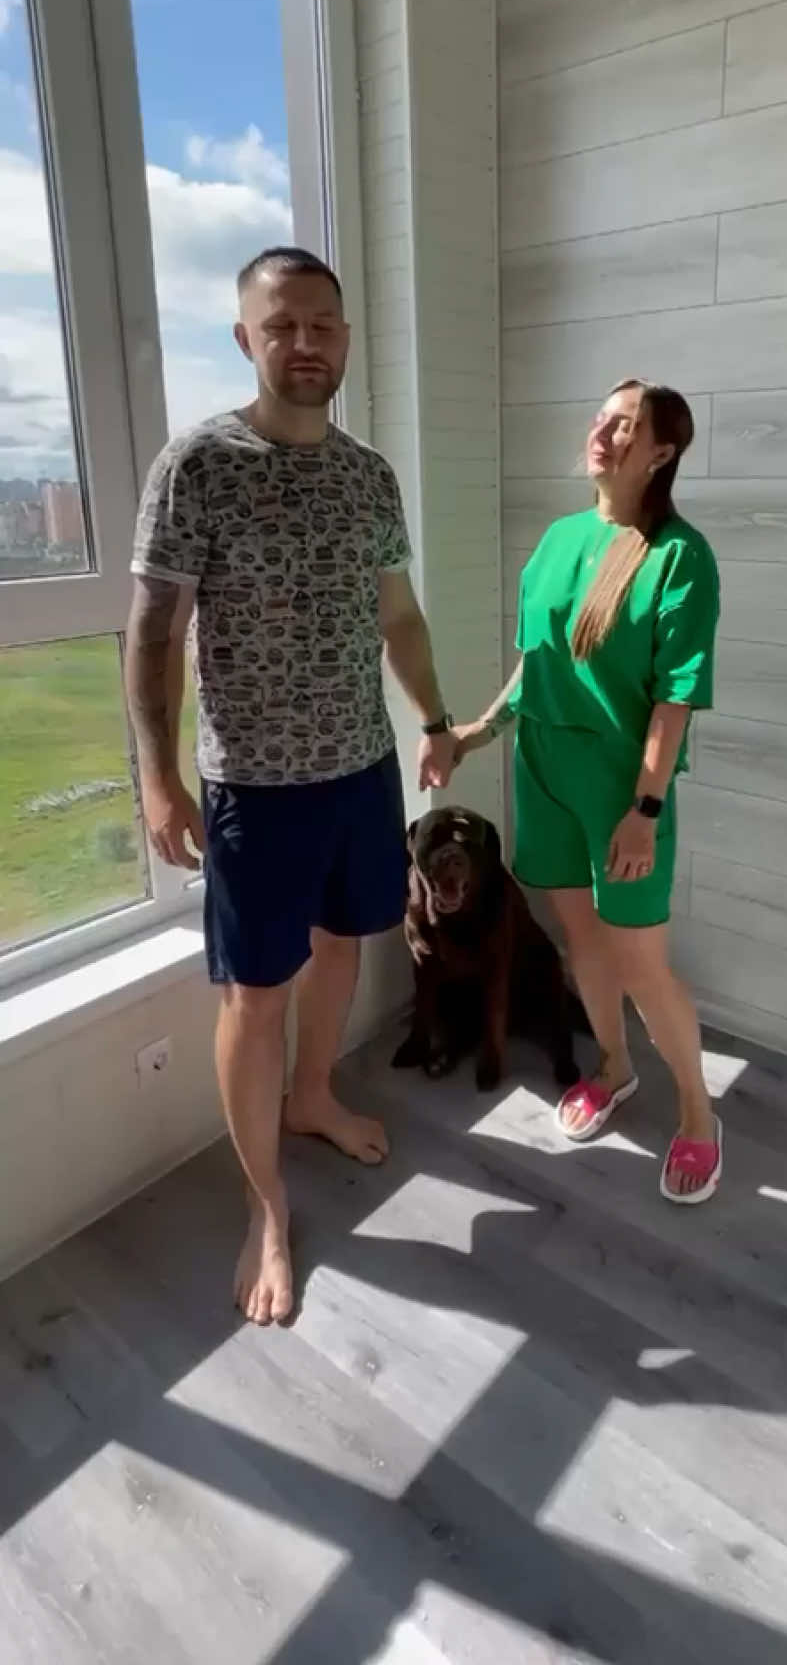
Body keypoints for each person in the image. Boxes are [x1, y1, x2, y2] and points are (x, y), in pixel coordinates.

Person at [125, 246, 455, 1325]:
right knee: (254, 996)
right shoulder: (198, 465)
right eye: (282, 326)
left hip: (360, 768)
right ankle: (265, 1206)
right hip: (255, 791)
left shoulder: (369, 476)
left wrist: (434, 720)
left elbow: (398, 616)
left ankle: (312, 1096)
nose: (305, 343)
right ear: (246, 339)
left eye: (322, 324)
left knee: (344, 945)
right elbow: (152, 631)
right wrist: (158, 778)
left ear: (345, 338)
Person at [454, 379, 721, 1203]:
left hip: (620, 788)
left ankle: (699, 1114)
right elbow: (536, 667)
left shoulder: (678, 556)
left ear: (661, 453)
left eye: (626, 425)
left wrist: (645, 810)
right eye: (602, 418)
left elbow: (674, 698)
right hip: (542, 773)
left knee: (642, 963)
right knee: (583, 943)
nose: (603, 432)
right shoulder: (559, 538)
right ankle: (613, 1068)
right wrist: (478, 731)